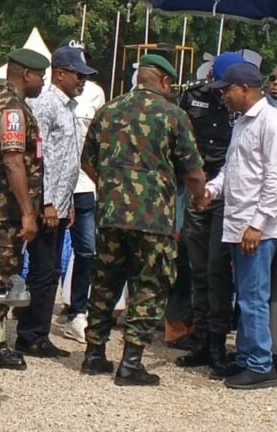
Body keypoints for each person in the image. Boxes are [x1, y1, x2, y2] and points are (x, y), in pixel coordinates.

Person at [81, 54, 205, 386]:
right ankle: (131, 362)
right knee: (150, 285)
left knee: (106, 282)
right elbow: (193, 172)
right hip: (154, 220)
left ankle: (94, 355)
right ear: (164, 82)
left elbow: (88, 161)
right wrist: (199, 197)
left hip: (110, 216)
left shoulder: (109, 110)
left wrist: (112, 191)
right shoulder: (173, 116)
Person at [202, 63, 277, 389]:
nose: (223, 95)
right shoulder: (241, 124)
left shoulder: (272, 124)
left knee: (253, 296)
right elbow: (231, 170)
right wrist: (211, 189)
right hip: (238, 222)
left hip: (256, 227)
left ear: (245, 89)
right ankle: (247, 359)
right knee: (247, 297)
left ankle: (260, 364)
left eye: (227, 89)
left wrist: (258, 224)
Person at [15, 46, 96, 358]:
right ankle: (31, 335)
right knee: (43, 271)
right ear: (60, 72)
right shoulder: (47, 105)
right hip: (46, 204)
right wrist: (48, 202)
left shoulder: (69, 107)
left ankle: (38, 333)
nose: (83, 81)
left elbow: (67, 161)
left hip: (63, 203)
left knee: (50, 272)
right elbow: (41, 156)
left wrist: (67, 203)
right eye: (78, 74)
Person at [0, 48, 49, 370]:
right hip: (1, 208)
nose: (42, 82)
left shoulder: (9, 105)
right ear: (26, 75)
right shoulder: (11, 111)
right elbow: (13, 161)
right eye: (40, 76)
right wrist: (28, 212)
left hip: (1, 206)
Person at [176, 52, 247, 372]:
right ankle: (200, 339)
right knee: (198, 268)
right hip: (196, 190)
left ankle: (218, 342)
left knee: (218, 270)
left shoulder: (245, 106)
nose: (220, 90)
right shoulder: (193, 98)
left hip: (227, 194)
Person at [59, 38, 105, 344]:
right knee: (44, 252)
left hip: (85, 184)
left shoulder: (96, 93)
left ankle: (78, 311)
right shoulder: (49, 98)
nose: (82, 75)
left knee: (87, 250)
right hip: (57, 184)